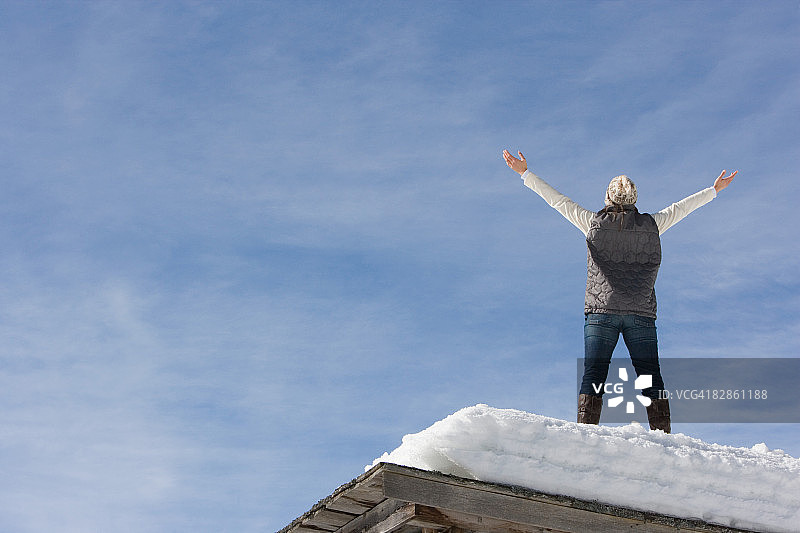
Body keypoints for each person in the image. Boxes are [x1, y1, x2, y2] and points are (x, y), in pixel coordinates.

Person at [502, 149, 736, 433]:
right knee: (650, 375)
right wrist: (713, 190)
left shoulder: (593, 223)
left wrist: (525, 174)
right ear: (634, 200)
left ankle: (586, 434)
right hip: (640, 314)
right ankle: (662, 435)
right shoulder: (652, 225)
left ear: (608, 198)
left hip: (601, 312)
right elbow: (681, 208)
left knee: (595, 374)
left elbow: (558, 202)